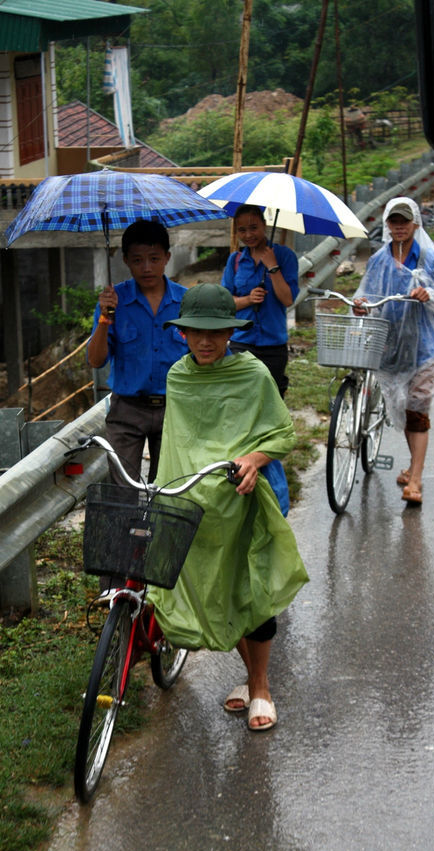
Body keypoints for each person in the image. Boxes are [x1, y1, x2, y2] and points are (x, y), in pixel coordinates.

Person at [148, 283, 309, 731]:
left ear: (230, 333)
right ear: (182, 333)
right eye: (196, 331)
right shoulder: (178, 377)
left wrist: (254, 459)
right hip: (194, 503)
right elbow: (180, 445)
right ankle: (250, 677)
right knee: (216, 590)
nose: (205, 340)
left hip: (243, 500)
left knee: (252, 593)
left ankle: (260, 686)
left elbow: (282, 434)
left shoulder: (253, 374)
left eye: (216, 332)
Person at [353, 196, 434, 505]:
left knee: (417, 411)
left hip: (427, 349)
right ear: (386, 225)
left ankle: (415, 479)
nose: (399, 226)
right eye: (394, 221)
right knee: (405, 410)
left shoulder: (432, 260)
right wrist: (360, 305)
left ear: (416, 224)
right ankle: (412, 467)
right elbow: (367, 294)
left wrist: (427, 294)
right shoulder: (378, 260)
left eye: (405, 221)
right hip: (392, 347)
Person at [87, 220, 187, 484]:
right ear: (126, 261)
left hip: (175, 407)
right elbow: (96, 360)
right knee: (123, 488)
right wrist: (105, 319)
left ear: (167, 257)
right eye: (137, 260)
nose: (146, 267)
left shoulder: (186, 302)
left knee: (167, 487)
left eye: (154, 259)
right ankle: (127, 527)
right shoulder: (113, 301)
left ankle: (155, 528)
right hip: (127, 409)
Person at [221, 204, 299, 397]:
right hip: (241, 343)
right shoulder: (235, 260)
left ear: (264, 225)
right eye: (242, 230)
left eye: (253, 227)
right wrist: (248, 299)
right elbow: (224, 303)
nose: (248, 235)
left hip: (273, 345)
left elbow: (288, 299)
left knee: (270, 404)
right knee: (240, 401)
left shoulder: (284, 256)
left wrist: (273, 267)